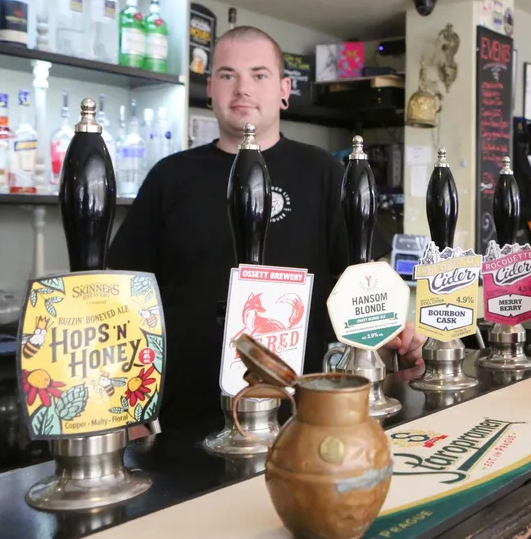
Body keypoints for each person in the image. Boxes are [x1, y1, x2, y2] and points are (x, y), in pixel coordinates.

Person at [108, 26, 423, 429]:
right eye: (227, 75)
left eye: (259, 75)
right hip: (185, 415)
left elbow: (364, 284)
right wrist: (129, 412)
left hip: (310, 410)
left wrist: (397, 337)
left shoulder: (325, 173)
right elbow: (127, 301)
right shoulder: (170, 177)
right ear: (210, 88)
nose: (242, 89)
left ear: (284, 89)